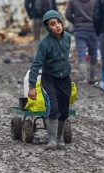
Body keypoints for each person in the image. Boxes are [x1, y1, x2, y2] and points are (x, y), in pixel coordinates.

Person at [28, 10, 72, 150]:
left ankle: (60, 139)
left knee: (64, 111)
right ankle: (51, 141)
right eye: (53, 24)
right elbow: (35, 65)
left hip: (64, 78)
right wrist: (32, 86)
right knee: (53, 108)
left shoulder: (68, 38)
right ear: (48, 27)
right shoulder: (44, 44)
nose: (57, 26)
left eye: (59, 22)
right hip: (49, 79)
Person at [65, 0, 98, 84]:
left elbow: (68, 15)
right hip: (93, 29)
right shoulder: (95, 1)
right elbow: (98, 14)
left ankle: (83, 78)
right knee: (93, 53)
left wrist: (76, 22)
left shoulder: (73, 1)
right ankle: (92, 77)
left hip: (80, 30)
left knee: (81, 54)